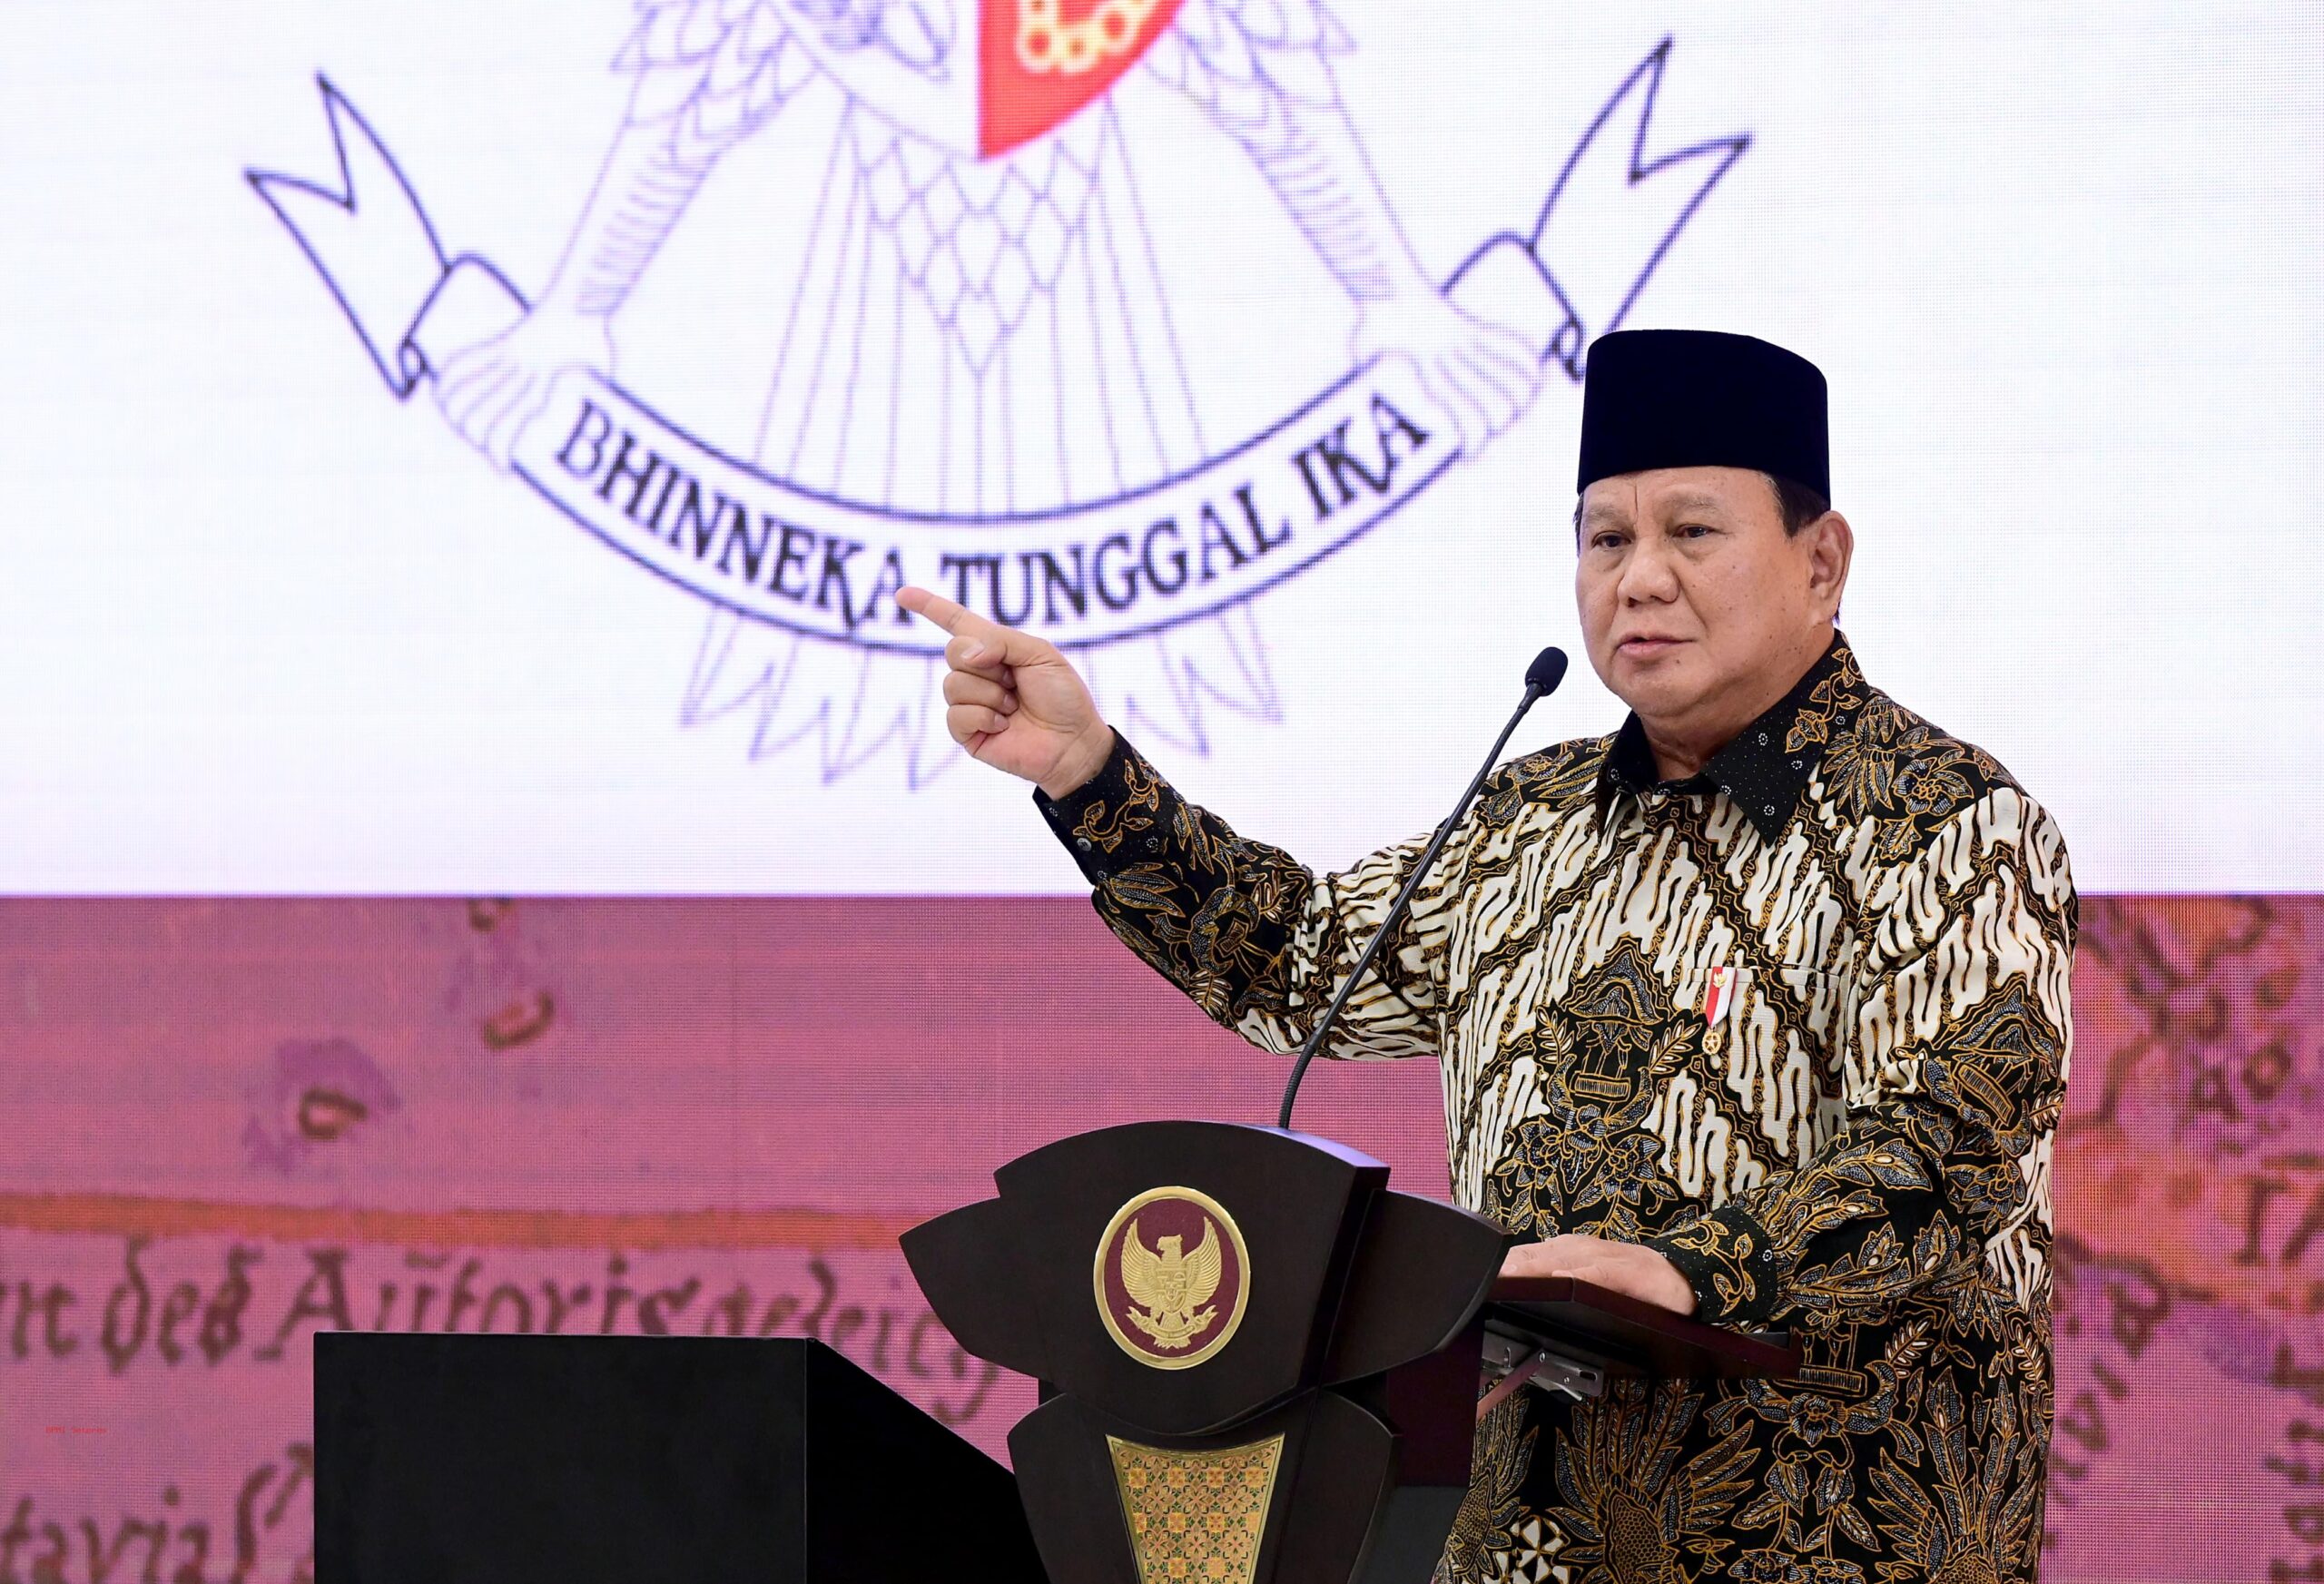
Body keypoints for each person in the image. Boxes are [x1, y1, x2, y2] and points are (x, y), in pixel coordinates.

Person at [897, 329, 2073, 1584]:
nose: (1640, 580)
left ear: (1821, 561)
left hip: (1834, 1543)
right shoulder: (1523, 822)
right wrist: (1090, 779)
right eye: (1605, 539)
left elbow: (1952, 1148)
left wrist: (1694, 1271)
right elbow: (1296, 966)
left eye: (1692, 532)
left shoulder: (1949, 823)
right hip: (1518, 1549)